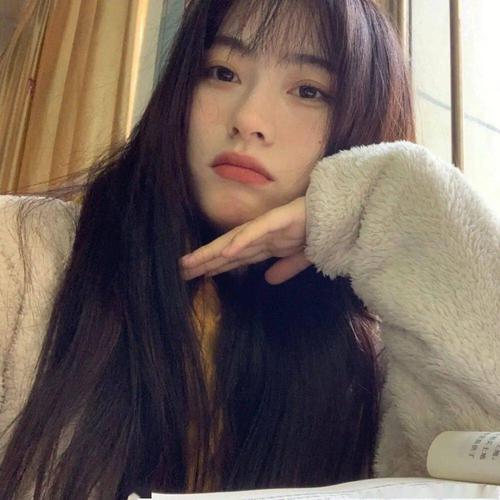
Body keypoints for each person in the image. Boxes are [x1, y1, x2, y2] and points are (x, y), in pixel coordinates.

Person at [0, 0, 498, 498]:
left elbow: (477, 461)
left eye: (308, 91)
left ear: (363, 130)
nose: (248, 119)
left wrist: (387, 200)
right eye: (223, 73)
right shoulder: (24, 252)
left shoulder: (370, 362)